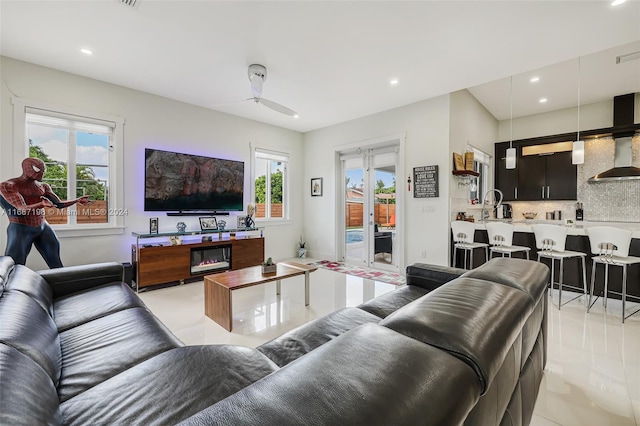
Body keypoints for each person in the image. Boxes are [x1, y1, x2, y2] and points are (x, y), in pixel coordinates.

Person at [0, 157, 91, 268]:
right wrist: (41, 204)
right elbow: (21, 208)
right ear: (26, 169)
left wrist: (77, 200)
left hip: (42, 226)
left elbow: (59, 204)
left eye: (43, 170)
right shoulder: (9, 185)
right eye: (38, 170)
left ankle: (63, 284)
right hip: (21, 228)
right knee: (14, 267)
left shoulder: (43, 186)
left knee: (56, 263)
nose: (42, 174)